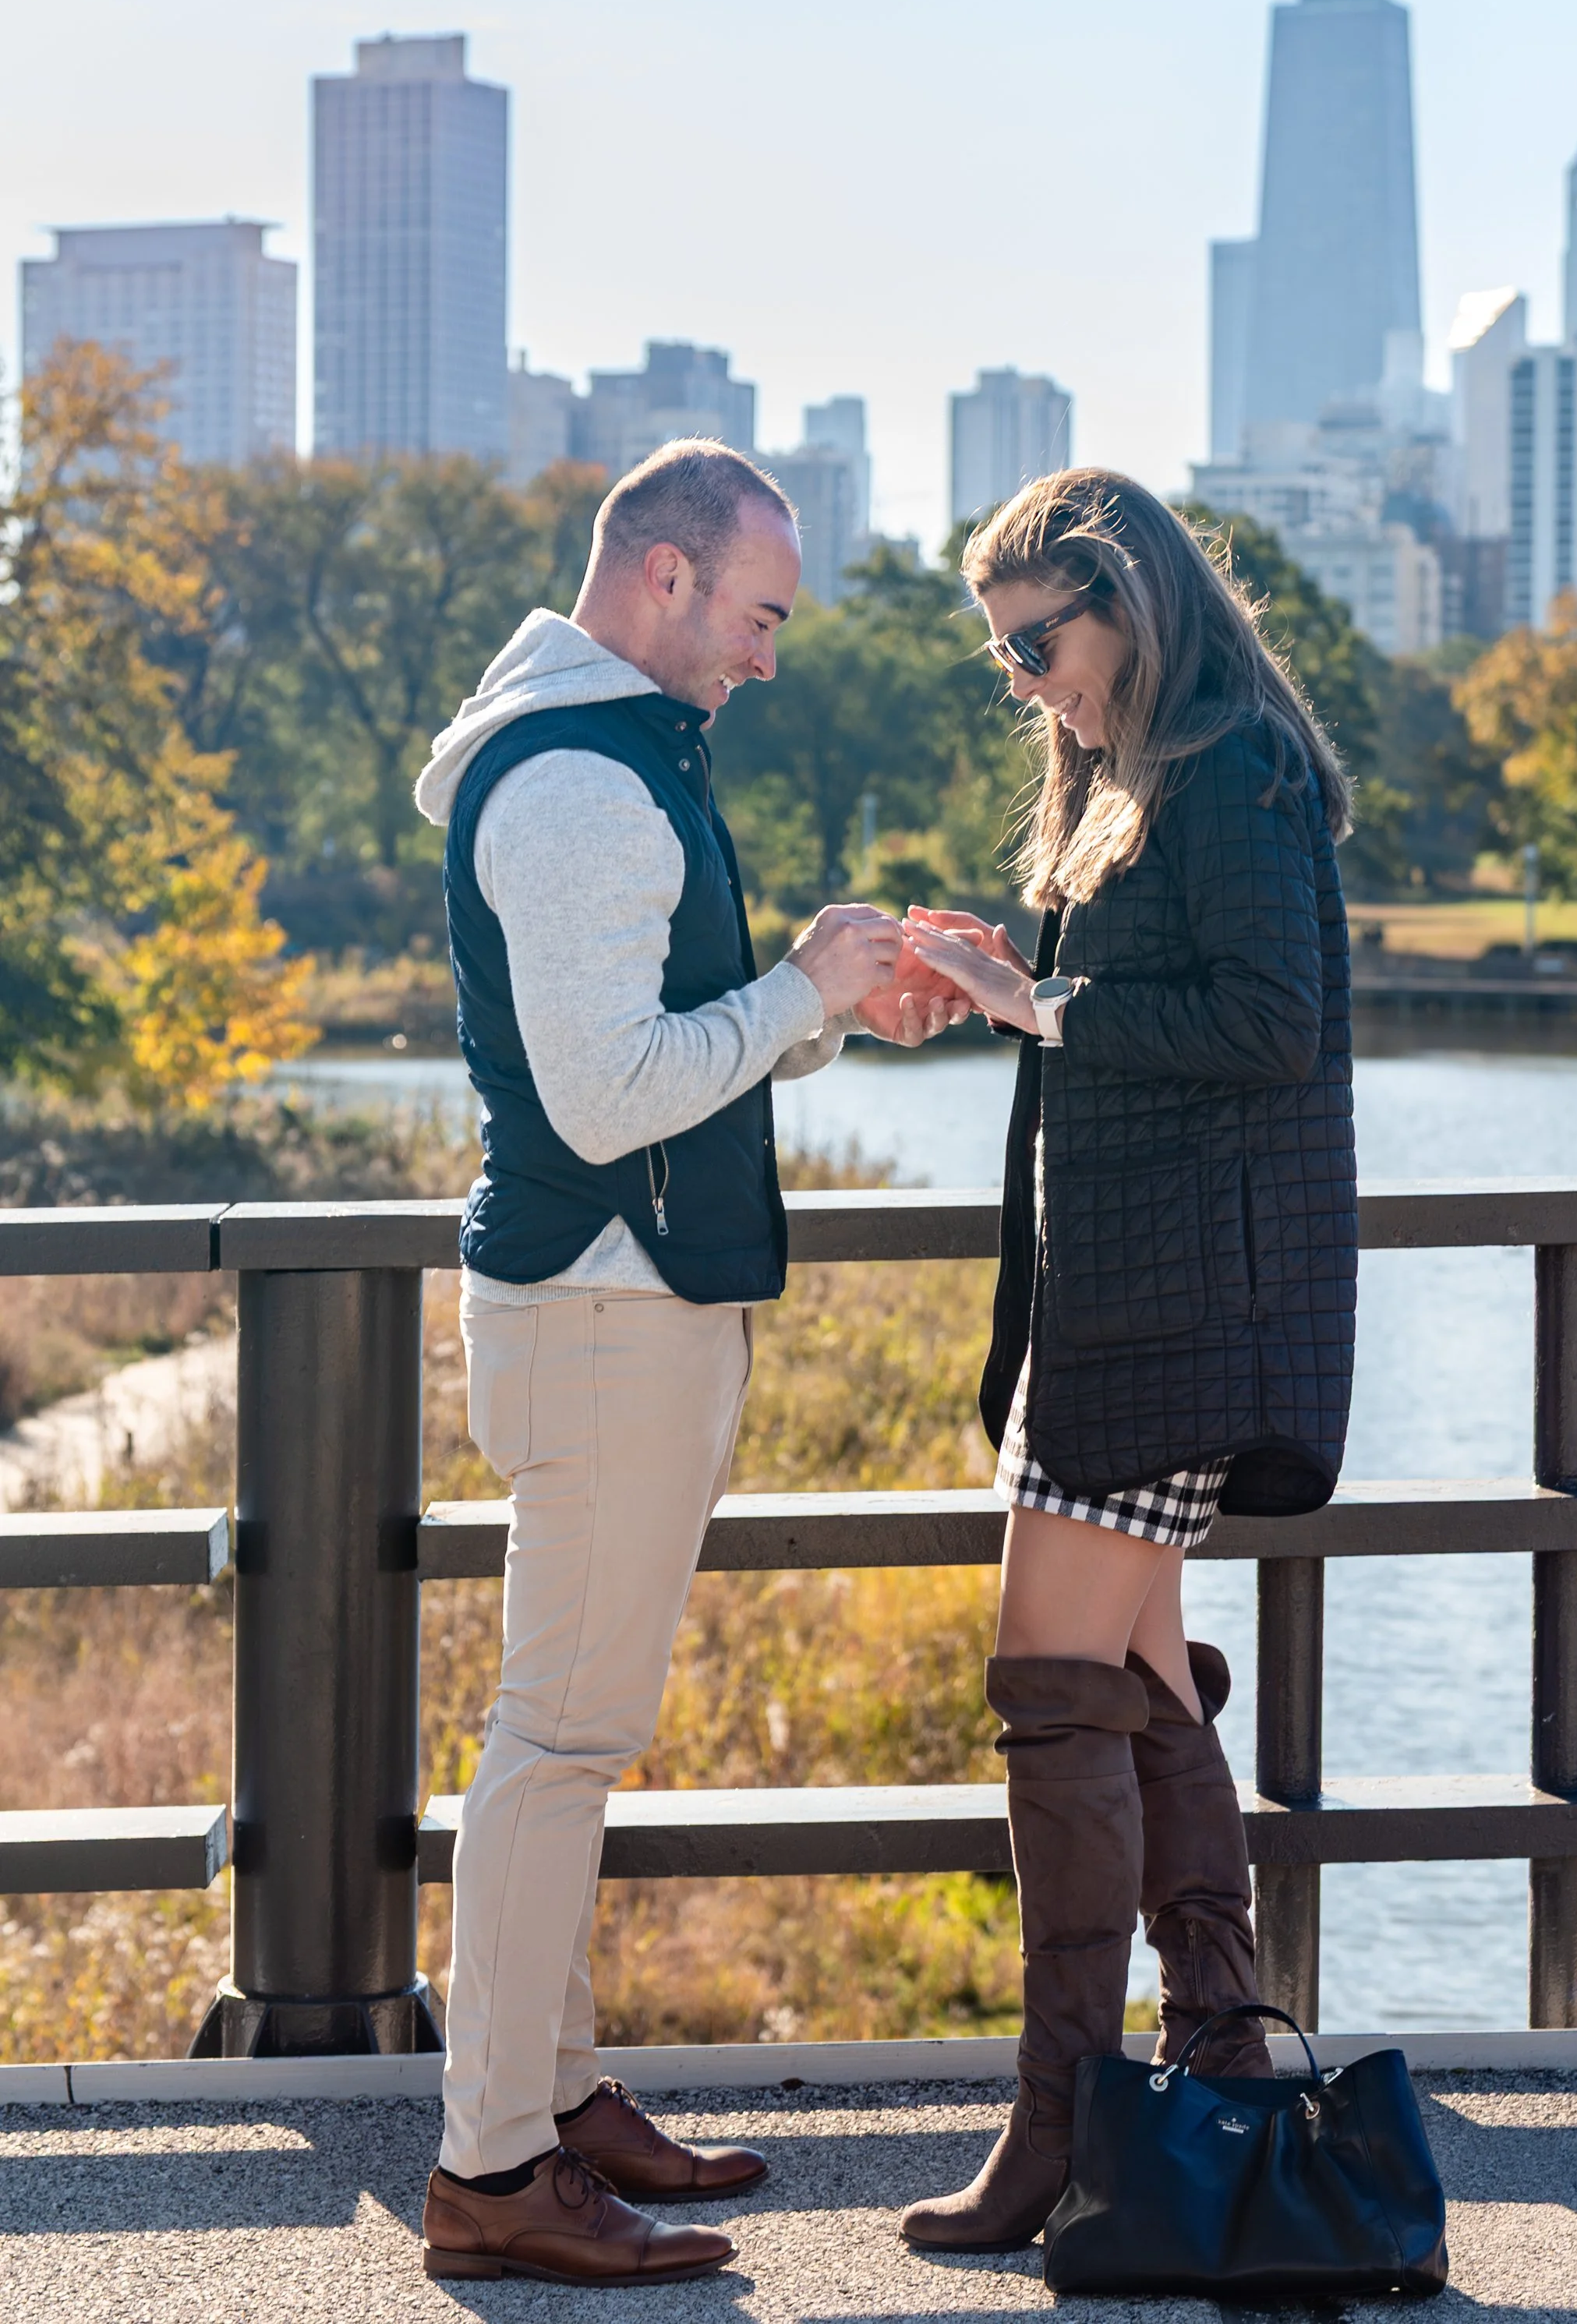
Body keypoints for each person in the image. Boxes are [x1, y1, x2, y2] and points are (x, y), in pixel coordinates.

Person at [411, 439, 965, 2287]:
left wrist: (822, 1018)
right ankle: (492, 2172)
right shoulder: (581, 783)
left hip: (606, 1301)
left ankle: (553, 2103)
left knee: (558, 1735)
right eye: (757, 613)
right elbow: (603, 1093)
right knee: (555, 1745)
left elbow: (654, 1053)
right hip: (607, 1310)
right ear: (657, 578)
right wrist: (804, 989)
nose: (770, 654)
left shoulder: (602, 749)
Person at [895, 468, 1358, 2253]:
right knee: (1144, 1683)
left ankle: (1067, 2122)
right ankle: (1221, 2072)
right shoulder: (1142, 783)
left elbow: (1267, 1021)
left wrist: (1051, 1005)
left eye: (1041, 641)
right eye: (1001, 657)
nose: (1027, 682)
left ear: (1130, 604)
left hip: (1180, 1325)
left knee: (1051, 1683)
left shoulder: (1225, 763)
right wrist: (1031, 981)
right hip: (1137, 1311)